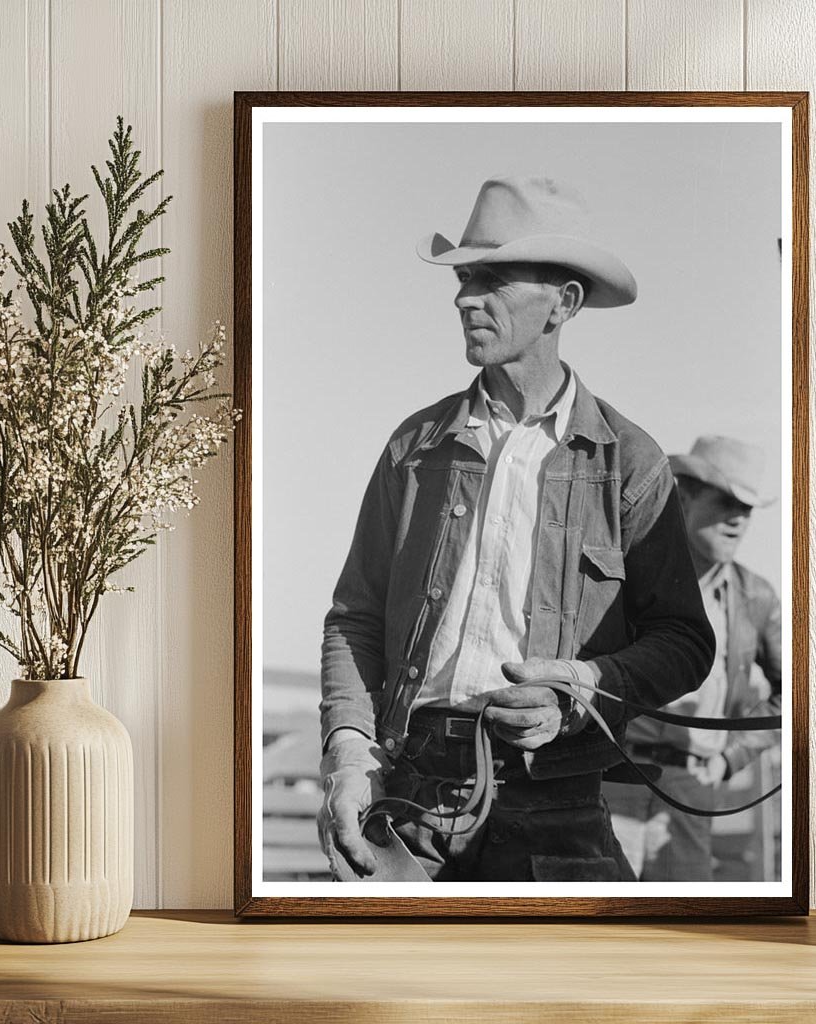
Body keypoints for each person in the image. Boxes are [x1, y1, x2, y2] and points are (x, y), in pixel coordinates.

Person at [316, 175, 715, 882]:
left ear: (564, 302)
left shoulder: (630, 462)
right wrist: (349, 760)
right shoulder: (417, 448)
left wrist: (583, 686)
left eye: (492, 280)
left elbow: (685, 642)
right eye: (465, 279)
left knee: (593, 990)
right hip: (406, 800)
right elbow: (355, 620)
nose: (466, 298)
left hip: (559, 804)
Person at [604, 436, 782, 881]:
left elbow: (799, 694)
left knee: (681, 936)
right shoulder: (622, 578)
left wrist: (731, 758)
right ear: (684, 496)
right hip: (613, 778)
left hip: (692, 792)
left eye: (749, 508)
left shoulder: (755, 596)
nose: (739, 519)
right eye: (727, 501)